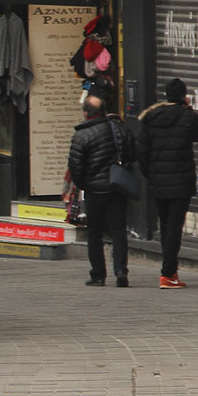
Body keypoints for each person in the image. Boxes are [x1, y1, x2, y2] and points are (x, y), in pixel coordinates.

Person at [137, 78, 198, 289]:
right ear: (184, 96)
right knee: (174, 227)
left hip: (158, 181)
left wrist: (150, 175)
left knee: (165, 225)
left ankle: (169, 272)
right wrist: (189, 109)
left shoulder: (150, 117)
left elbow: (142, 152)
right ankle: (168, 274)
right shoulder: (188, 117)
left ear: (166, 95)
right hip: (181, 182)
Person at [68, 96, 137, 287]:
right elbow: (132, 152)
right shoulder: (119, 129)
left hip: (94, 191)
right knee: (118, 230)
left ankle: (98, 274)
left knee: (94, 232)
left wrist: (82, 184)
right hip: (117, 187)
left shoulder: (82, 135)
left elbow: (75, 165)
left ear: (85, 113)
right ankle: (121, 271)